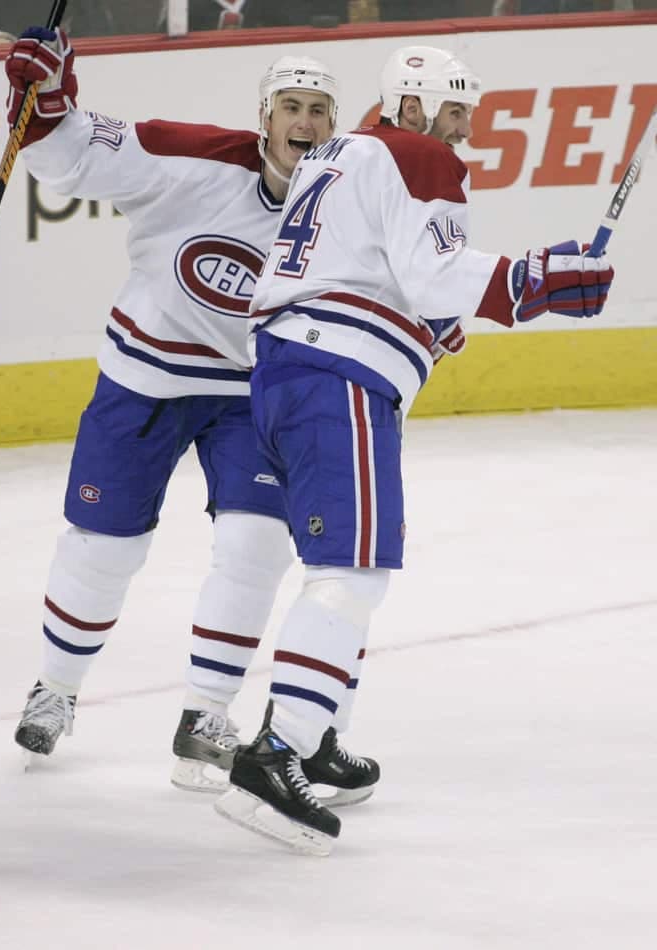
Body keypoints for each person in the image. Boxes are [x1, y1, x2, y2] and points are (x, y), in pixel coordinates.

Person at [213, 45, 614, 855]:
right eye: (454, 112)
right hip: (338, 377)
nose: (464, 132)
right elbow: (432, 275)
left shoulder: (341, 155)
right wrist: (537, 280)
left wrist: (441, 321)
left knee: (344, 567)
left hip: (291, 371)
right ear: (411, 107)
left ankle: (316, 734)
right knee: (352, 572)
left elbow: (381, 274)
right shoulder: (417, 153)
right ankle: (277, 749)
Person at [5, 27, 382, 804]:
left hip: (252, 391)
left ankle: (206, 715)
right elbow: (67, 149)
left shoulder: (344, 199)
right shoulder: (190, 157)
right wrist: (46, 95)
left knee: (257, 544)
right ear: (264, 115)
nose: (304, 123)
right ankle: (55, 687)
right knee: (102, 549)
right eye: (291, 107)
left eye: (319, 109)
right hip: (144, 376)